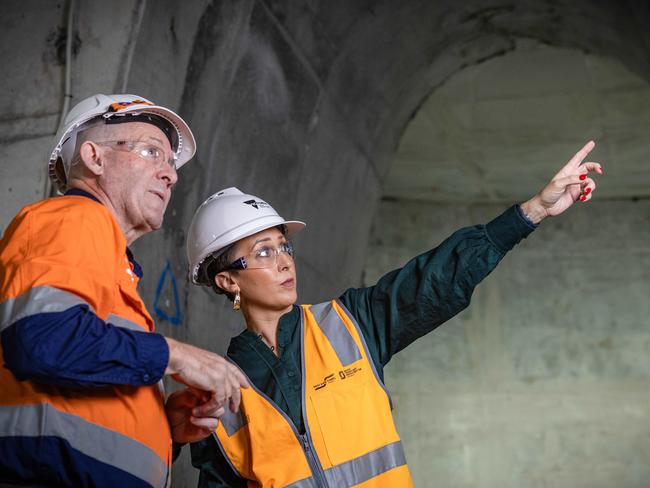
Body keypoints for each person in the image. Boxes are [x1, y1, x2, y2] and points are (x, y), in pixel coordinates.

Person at [183, 142, 602, 487]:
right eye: (263, 253)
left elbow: (438, 276)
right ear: (227, 282)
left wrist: (532, 211)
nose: (284, 262)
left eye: (283, 246)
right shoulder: (221, 390)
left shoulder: (350, 323)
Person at [0, 94, 248, 487]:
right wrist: (176, 355)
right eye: (152, 152)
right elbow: (44, 340)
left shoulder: (114, 269)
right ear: (95, 158)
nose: (171, 175)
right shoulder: (72, 218)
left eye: (170, 162)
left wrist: (162, 426)